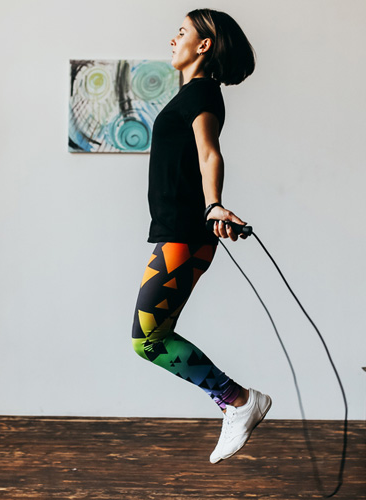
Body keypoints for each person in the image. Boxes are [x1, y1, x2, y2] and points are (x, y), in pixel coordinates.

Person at [131, 9, 271, 464]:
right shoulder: (192, 93)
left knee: (147, 338)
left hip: (187, 231)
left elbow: (210, 154)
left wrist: (213, 205)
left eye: (182, 32)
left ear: (204, 45)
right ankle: (235, 400)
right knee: (151, 336)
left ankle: (238, 401)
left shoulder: (202, 93)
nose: (173, 39)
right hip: (180, 231)